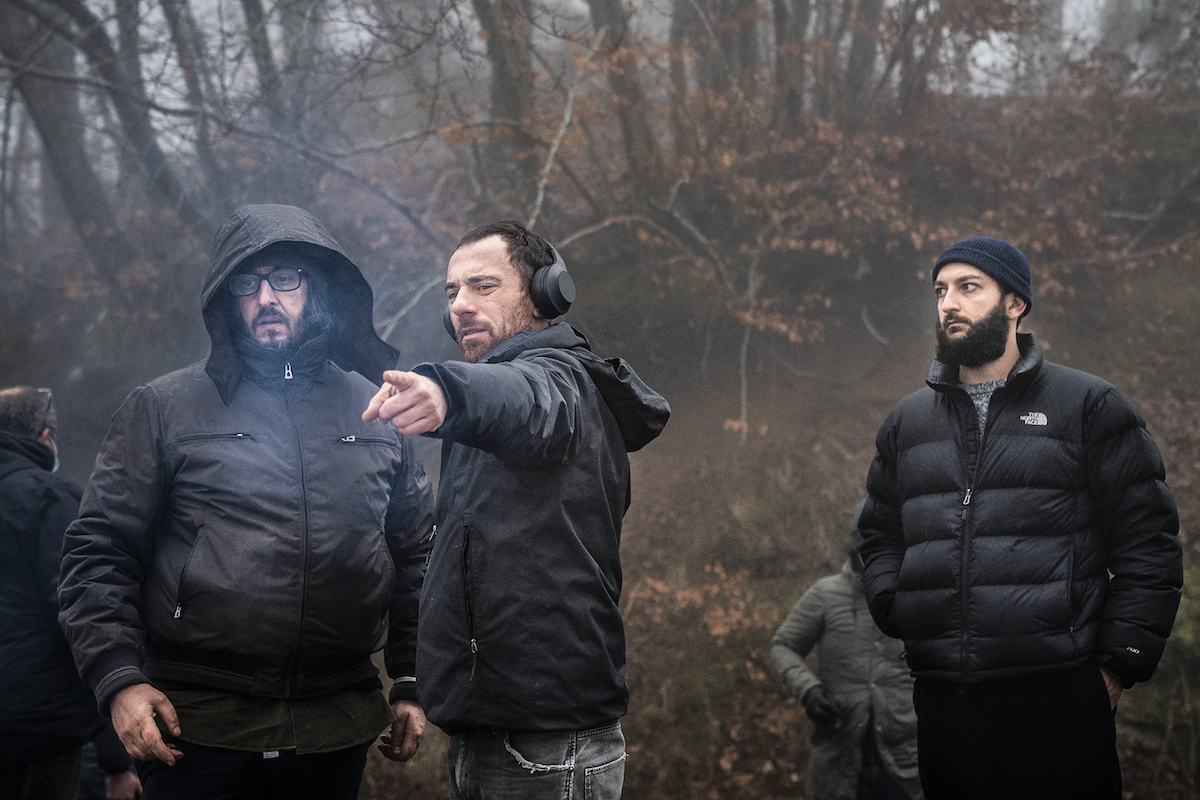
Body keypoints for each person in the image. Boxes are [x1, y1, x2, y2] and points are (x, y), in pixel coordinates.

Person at [58, 204, 435, 800]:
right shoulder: (163, 407)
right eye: (247, 283)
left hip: (334, 725)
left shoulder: (375, 409)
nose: (266, 298)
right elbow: (99, 551)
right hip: (196, 727)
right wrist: (119, 679)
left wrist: (411, 679)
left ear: (316, 289)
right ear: (225, 297)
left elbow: (415, 554)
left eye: (284, 279)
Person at [858, 235, 1183, 800]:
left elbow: (1149, 543)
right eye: (940, 291)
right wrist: (897, 606)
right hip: (944, 702)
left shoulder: (1089, 406)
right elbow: (880, 534)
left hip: (1059, 699)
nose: (949, 303)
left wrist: (1117, 667)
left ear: (1015, 303)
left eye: (969, 287)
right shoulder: (907, 423)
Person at [363, 220, 670, 800]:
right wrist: (417, 681)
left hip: (548, 747)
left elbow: (526, 401)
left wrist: (448, 390)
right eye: (452, 292)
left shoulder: (563, 383)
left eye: (483, 286)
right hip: (488, 732)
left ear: (544, 295)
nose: (460, 305)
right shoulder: (488, 409)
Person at [771, 500, 922, 800]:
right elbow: (784, 646)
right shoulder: (825, 595)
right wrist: (809, 690)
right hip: (838, 767)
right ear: (856, 548)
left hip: (909, 772)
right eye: (870, 549)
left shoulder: (918, 597)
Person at [0, 386, 108, 800]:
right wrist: (115, 753)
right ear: (45, 435)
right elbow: (82, 610)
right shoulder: (47, 495)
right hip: (39, 725)